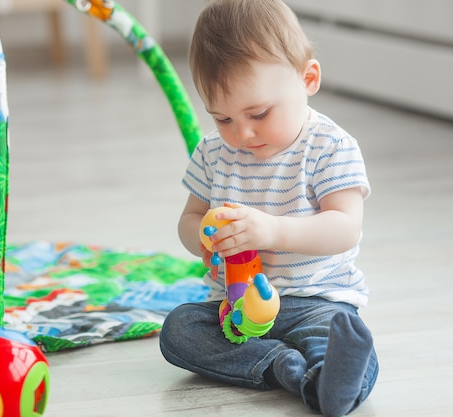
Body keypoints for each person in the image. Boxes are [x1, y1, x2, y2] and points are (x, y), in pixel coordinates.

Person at [159, 0, 379, 415]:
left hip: (314, 300)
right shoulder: (212, 152)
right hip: (234, 309)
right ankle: (283, 367)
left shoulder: (331, 147)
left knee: (337, 336)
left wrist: (274, 231)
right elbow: (189, 220)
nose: (241, 133)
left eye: (258, 113)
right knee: (179, 330)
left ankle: (332, 383)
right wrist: (203, 236)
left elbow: (345, 227)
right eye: (222, 119)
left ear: (307, 78)